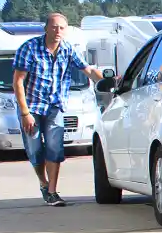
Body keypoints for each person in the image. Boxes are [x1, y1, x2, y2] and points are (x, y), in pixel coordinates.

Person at [12, 12, 106, 207]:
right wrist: (24, 113)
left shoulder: (67, 50)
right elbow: (18, 82)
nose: (58, 31)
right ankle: (43, 182)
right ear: (46, 28)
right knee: (35, 150)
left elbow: (87, 70)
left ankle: (53, 192)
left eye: (62, 28)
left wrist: (107, 82)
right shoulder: (29, 49)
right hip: (32, 107)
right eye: (54, 27)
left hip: (55, 107)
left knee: (55, 148)